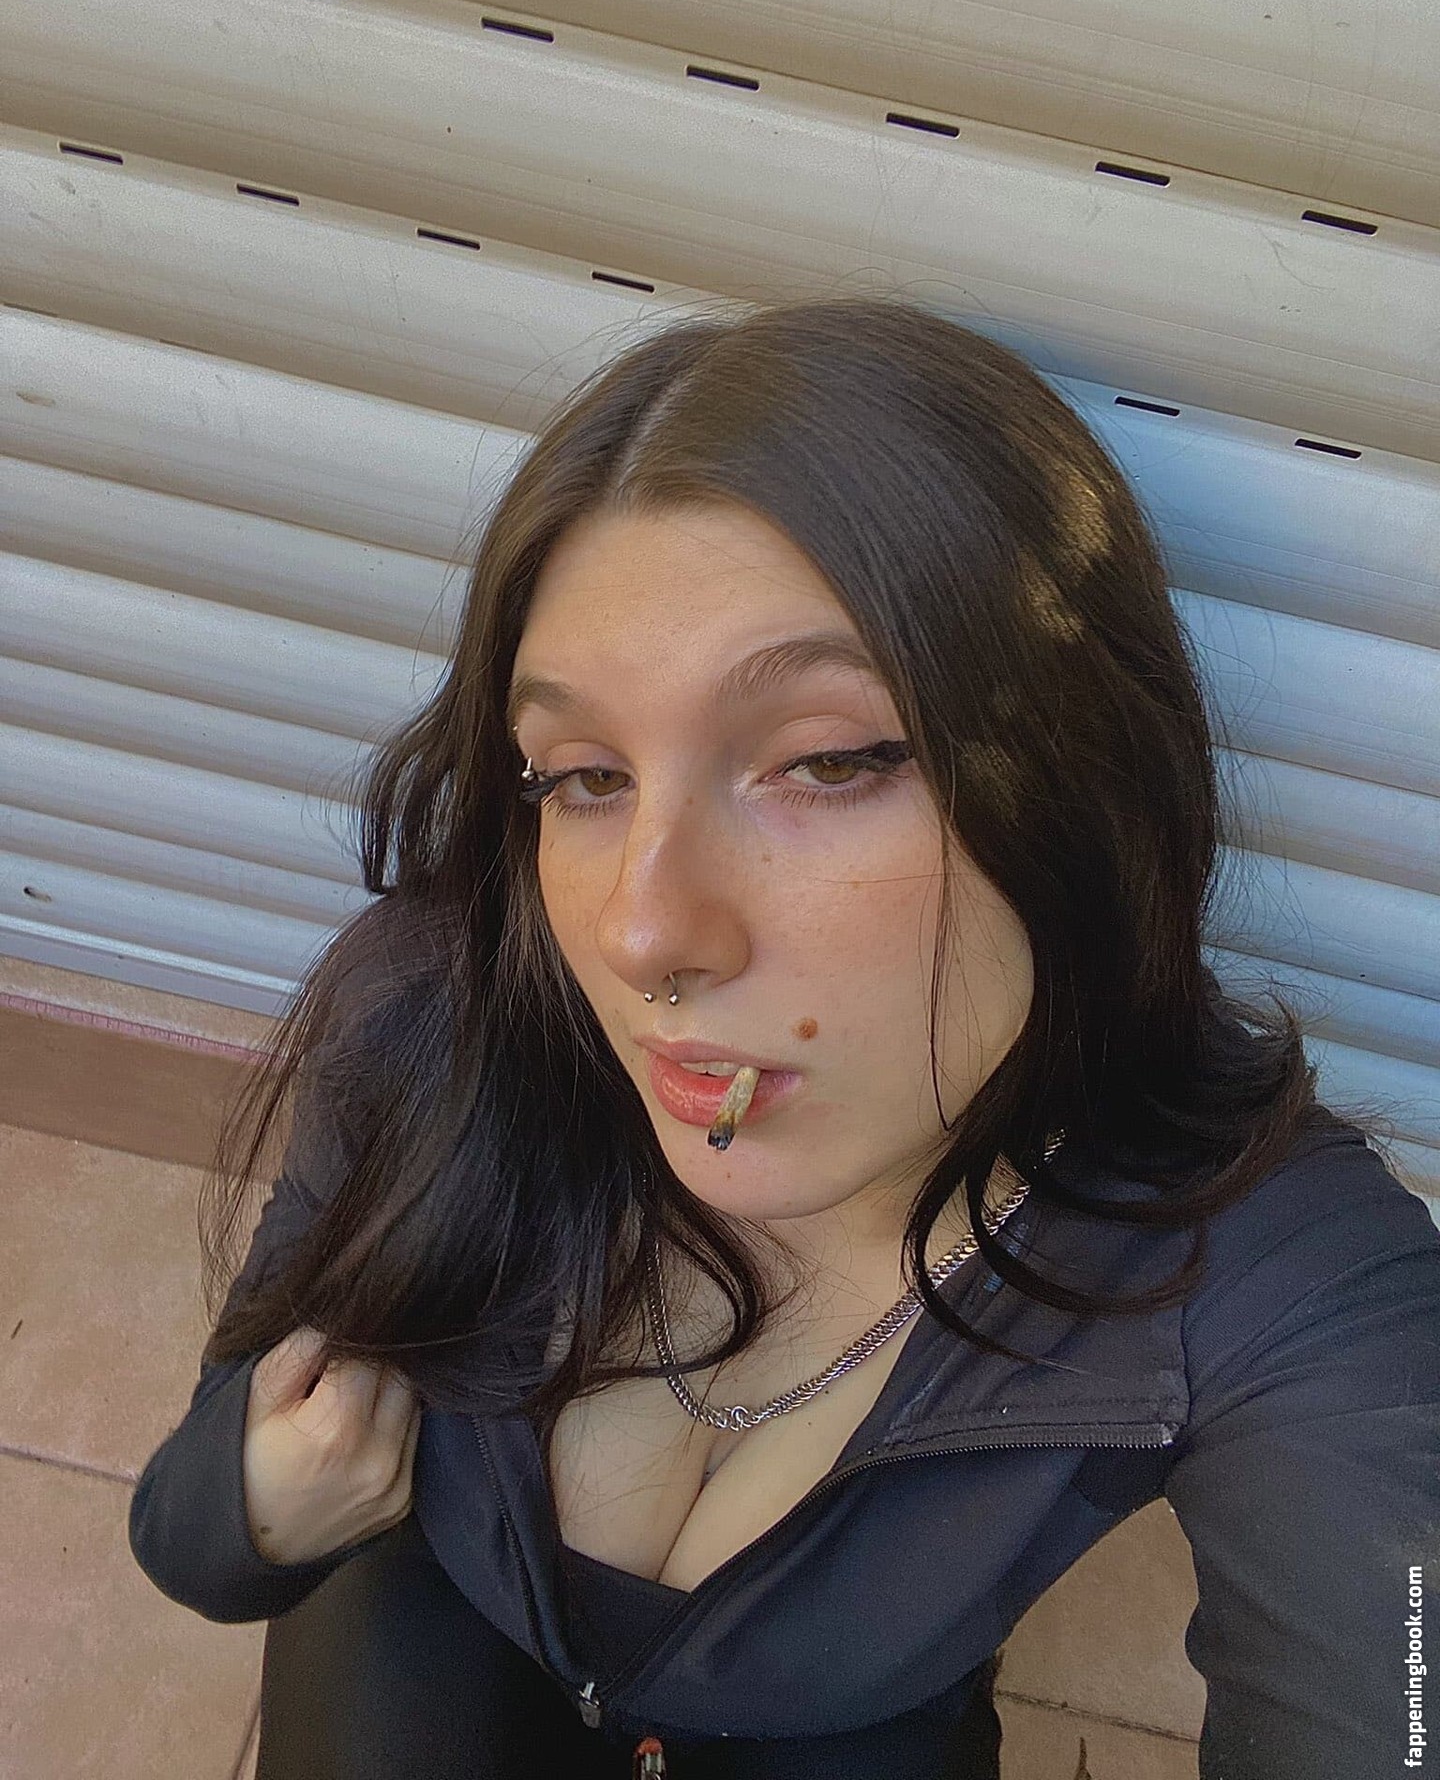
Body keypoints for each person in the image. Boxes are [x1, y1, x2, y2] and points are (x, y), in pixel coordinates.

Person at [130, 299, 1440, 1779]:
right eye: (584, 776)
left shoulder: (1277, 1275)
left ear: (1082, 777)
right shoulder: (440, 1008)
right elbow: (191, 1534)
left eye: (824, 761)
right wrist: (261, 1499)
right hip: (434, 1612)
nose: (641, 934)